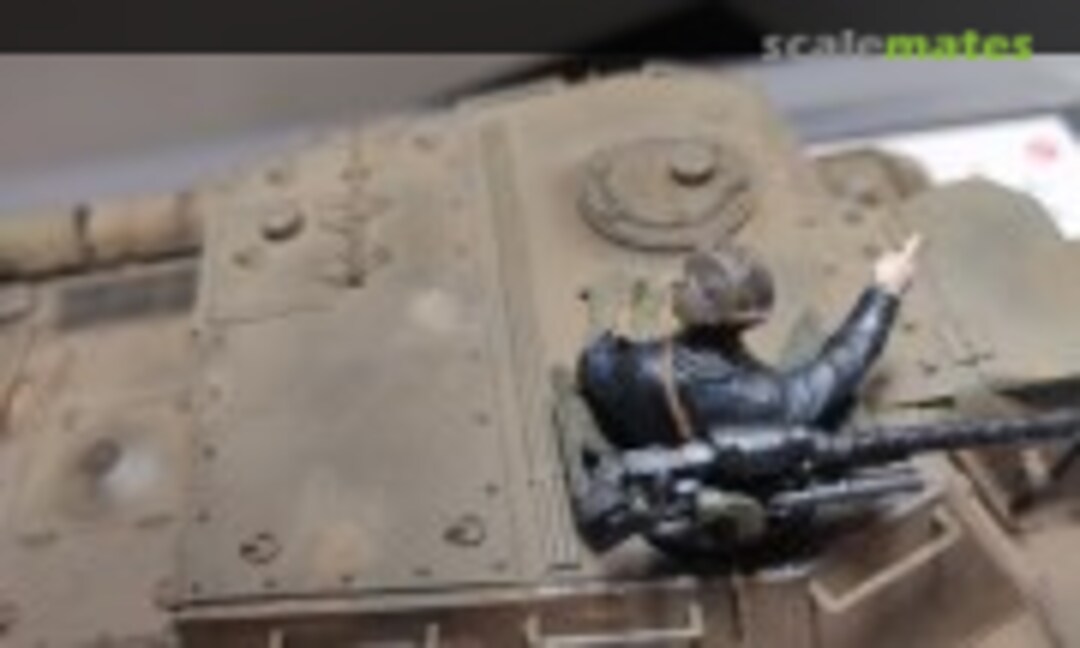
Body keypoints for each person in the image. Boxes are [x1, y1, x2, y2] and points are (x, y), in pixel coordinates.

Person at [577, 234, 922, 450]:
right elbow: (834, 371)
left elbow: (594, 365)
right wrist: (885, 291)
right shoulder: (760, 397)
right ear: (751, 321)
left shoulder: (627, 364)